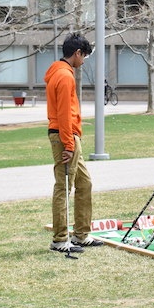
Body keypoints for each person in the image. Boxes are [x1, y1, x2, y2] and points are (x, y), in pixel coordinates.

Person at [46, 33, 102, 253]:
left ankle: (81, 235)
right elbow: (63, 114)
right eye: (84, 56)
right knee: (63, 186)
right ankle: (60, 239)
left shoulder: (60, 72)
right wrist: (69, 145)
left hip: (67, 135)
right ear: (77, 53)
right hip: (64, 136)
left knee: (84, 183)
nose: (84, 60)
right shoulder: (64, 76)